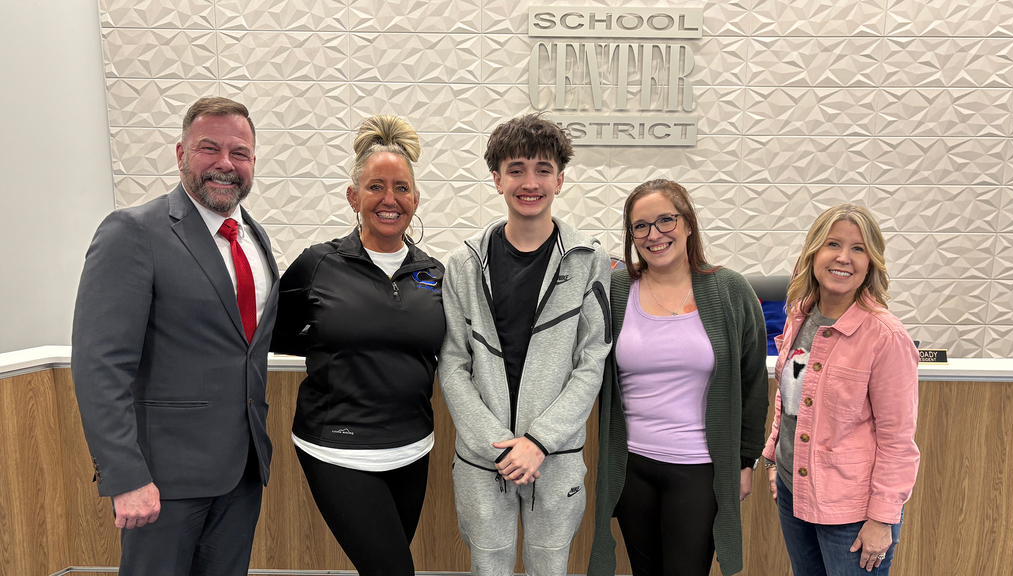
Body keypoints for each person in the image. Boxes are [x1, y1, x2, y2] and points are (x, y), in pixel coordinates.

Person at [72, 97, 278, 576]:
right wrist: (125, 476)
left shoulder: (254, 237)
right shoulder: (133, 231)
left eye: (240, 153)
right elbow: (100, 364)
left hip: (242, 469)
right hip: (162, 480)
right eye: (210, 149)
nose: (226, 164)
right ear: (180, 153)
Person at [270, 115, 445, 576]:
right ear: (354, 197)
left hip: (412, 447)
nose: (390, 199)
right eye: (376, 187)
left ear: (416, 197)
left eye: (402, 188)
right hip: (337, 448)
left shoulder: (435, 273)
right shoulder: (318, 264)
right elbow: (276, 332)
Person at [438, 113, 612, 576]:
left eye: (542, 169)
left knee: (549, 568)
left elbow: (592, 360)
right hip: (482, 459)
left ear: (560, 178)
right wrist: (496, 446)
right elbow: (453, 363)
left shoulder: (590, 260)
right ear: (497, 179)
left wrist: (538, 440)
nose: (529, 182)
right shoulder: (463, 263)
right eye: (516, 169)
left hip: (555, 458)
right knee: (488, 566)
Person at [588, 179, 769, 576]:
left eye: (665, 220)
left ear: (688, 224)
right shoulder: (617, 289)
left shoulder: (729, 289)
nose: (655, 235)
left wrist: (743, 461)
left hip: (699, 469)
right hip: (631, 466)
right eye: (641, 226)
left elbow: (754, 382)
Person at [763, 204, 920, 576]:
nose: (843, 257)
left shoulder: (885, 336)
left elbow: (898, 440)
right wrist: (774, 457)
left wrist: (883, 518)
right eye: (832, 244)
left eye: (858, 249)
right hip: (792, 488)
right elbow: (792, 397)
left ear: (871, 263)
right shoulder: (801, 314)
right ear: (813, 253)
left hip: (851, 511)